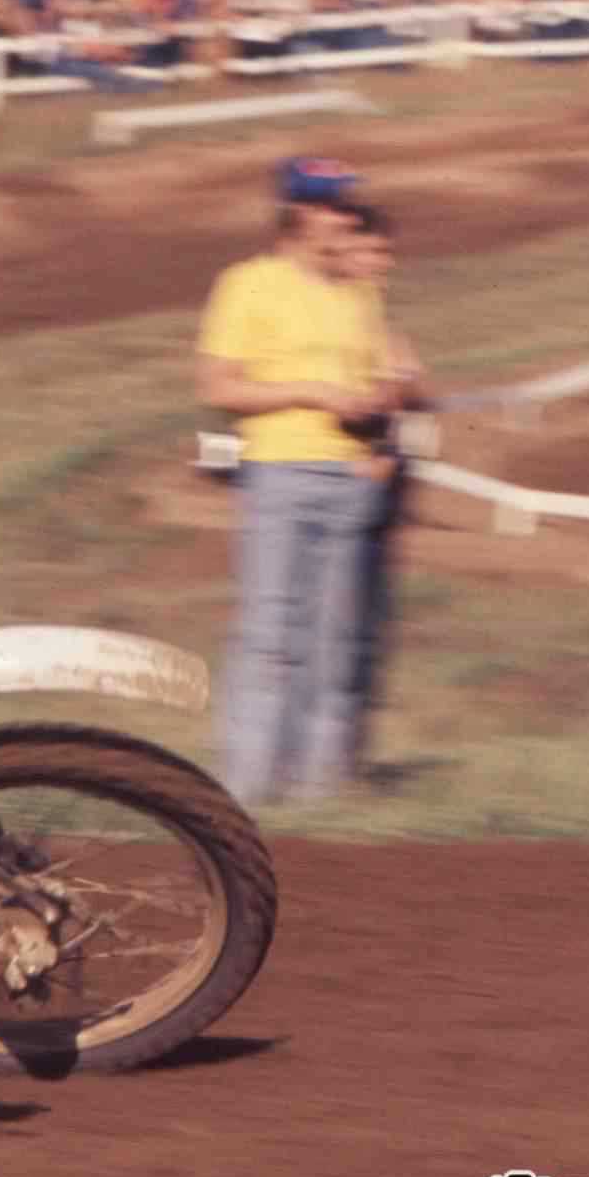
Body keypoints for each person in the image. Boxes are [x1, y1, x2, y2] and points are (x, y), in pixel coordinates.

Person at [193, 157, 397, 808]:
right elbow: (218, 387)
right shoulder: (248, 285)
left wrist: (378, 414)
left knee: (333, 641)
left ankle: (320, 797)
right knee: (270, 634)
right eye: (335, 208)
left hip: (352, 479)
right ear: (301, 215)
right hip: (281, 472)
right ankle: (247, 791)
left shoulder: (357, 292)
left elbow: (385, 375)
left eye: (347, 208)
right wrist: (311, 391)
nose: (346, 219)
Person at [330, 200, 434, 777]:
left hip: (380, 483)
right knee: (339, 627)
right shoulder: (330, 312)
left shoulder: (371, 311)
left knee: (367, 630)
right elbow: (397, 386)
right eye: (372, 250)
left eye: (386, 252)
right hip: (346, 479)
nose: (384, 262)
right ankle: (329, 763)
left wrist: (397, 386)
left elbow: (415, 385)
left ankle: (349, 760)